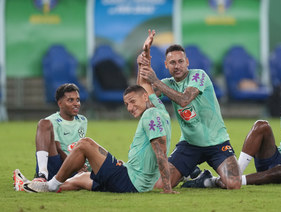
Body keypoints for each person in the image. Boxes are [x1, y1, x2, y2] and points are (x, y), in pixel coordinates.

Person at [22, 83, 176, 194]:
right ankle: (31, 186)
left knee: (85, 143)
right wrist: (144, 59)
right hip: (132, 177)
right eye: (126, 104)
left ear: (145, 97)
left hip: (129, 181)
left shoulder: (150, 114)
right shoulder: (160, 108)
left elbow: (160, 150)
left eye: (132, 102)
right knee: (81, 179)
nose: (129, 108)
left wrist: (167, 187)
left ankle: (52, 185)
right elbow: (142, 85)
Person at [137, 30, 241, 189]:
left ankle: (207, 180)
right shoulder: (167, 83)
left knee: (234, 184)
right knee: (160, 186)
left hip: (217, 143)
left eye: (180, 61)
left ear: (187, 62)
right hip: (189, 145)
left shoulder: (199, 75)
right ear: (166, 65)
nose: (177, 66)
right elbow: (142, 95)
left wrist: (155, 81)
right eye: (172, 63)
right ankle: (189, 171)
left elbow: (184, 100)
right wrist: (142, 63)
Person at [13, 83, 88, 191]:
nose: (76, 103)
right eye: (70, 100)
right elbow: (57, 148)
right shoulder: (52, 120)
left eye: (78, 100)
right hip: (57, 164)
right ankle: (42, 175)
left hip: (73, 169)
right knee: (44, 123)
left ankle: (27, 185)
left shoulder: (83, 120)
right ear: (60, 103)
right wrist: (73, 164)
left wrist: (82, 164)